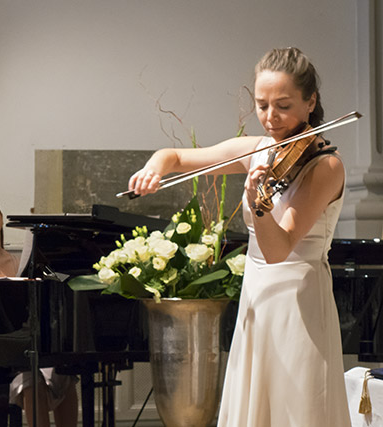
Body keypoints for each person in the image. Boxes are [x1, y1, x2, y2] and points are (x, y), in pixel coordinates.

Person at [128, 48, 351, 427]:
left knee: (296, 404)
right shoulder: (260, 150)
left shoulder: (325, 165)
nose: (269, 117)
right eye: (262, 105)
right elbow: (178, 158)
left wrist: (256, 204)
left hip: (297, 301)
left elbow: (279, 249)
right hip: (256, 296)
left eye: (282, 105)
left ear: (310, 101)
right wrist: (154, 167)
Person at [0, 194, 78, 427]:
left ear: (0, 218)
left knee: (65, 375)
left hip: (20, 346)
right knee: (31, 379)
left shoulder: (15, 260)